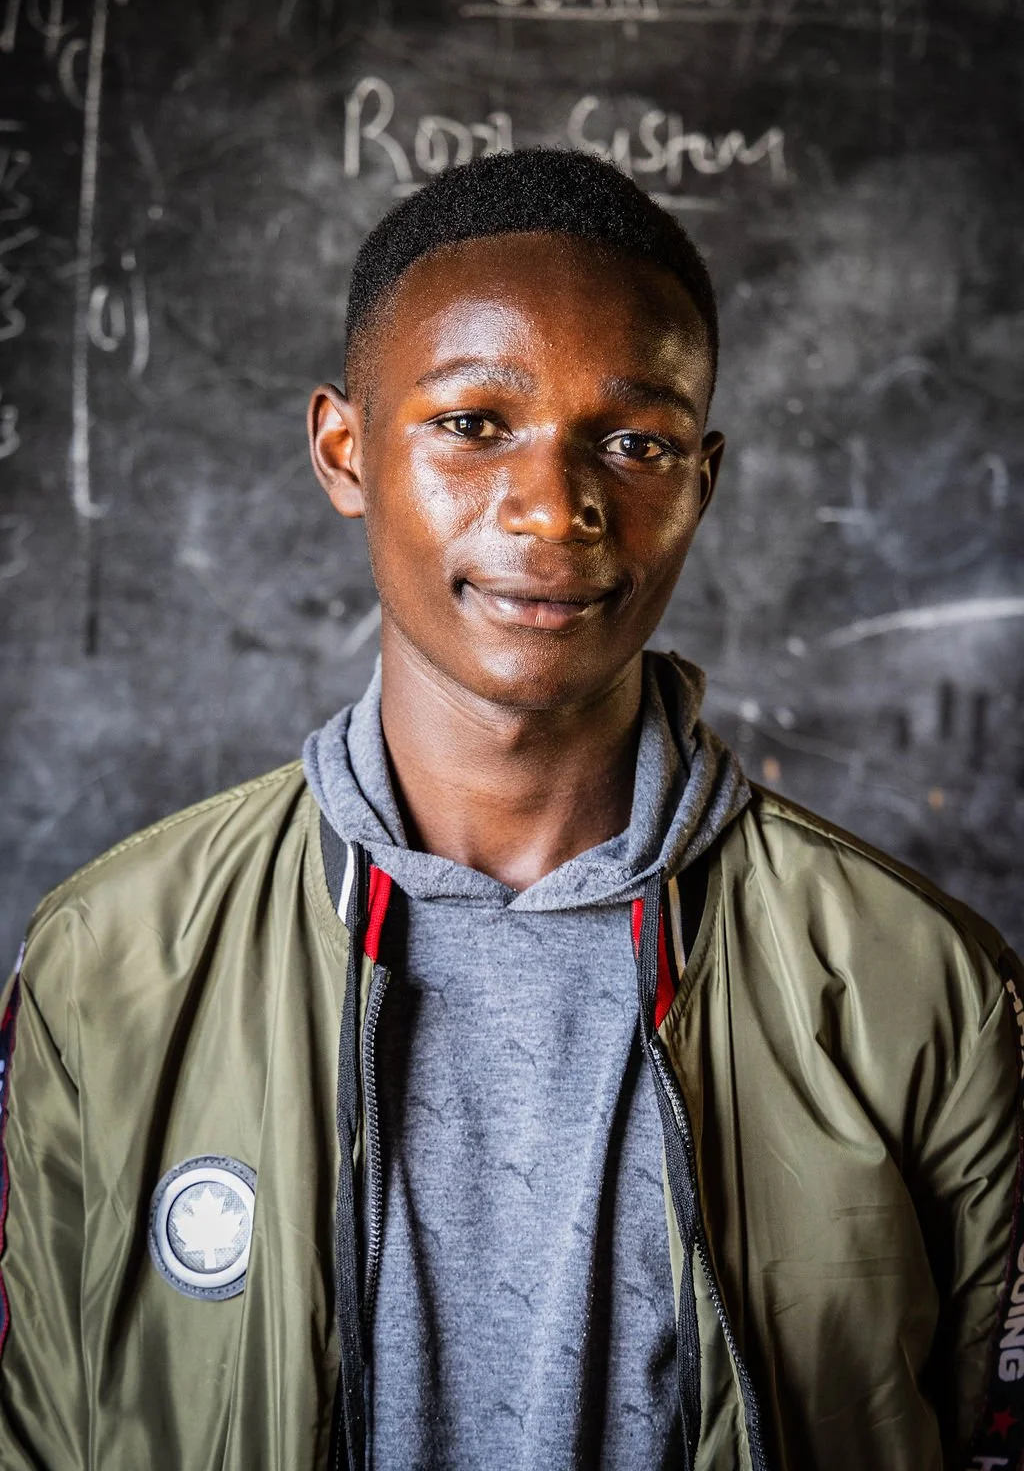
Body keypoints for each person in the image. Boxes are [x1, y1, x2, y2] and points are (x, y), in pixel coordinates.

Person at [0, 148, 1020, 1471]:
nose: (555, 505)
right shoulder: (107, 964)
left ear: (700, 483)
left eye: (636, 441)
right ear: (343, 447)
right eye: (473, 423)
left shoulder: (928, 989)